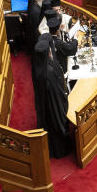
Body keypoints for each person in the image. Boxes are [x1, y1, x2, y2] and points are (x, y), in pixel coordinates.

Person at [32, 29, 73, 159]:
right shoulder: (49, 71)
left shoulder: (37, 66)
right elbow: (57, 94)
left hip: (44, 105)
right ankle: (60, 150)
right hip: (53, 105)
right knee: (56, 127)